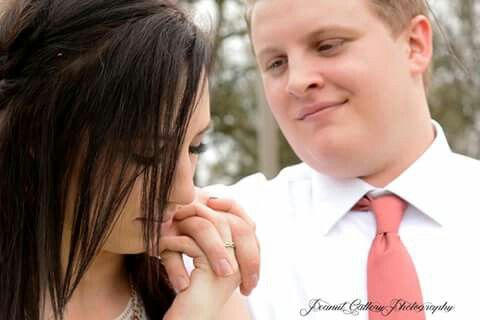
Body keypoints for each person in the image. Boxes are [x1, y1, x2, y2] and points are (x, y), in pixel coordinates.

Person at [209, 0, 480, 319]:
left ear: (414, 45)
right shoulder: (219, 233)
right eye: (277, 63)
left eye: (327, 46)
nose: (297, 81)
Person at [0, 0, 256, 319]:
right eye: (146, 153)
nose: (184, 192)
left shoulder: (199, 285)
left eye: (195, 147)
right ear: (38, 135)